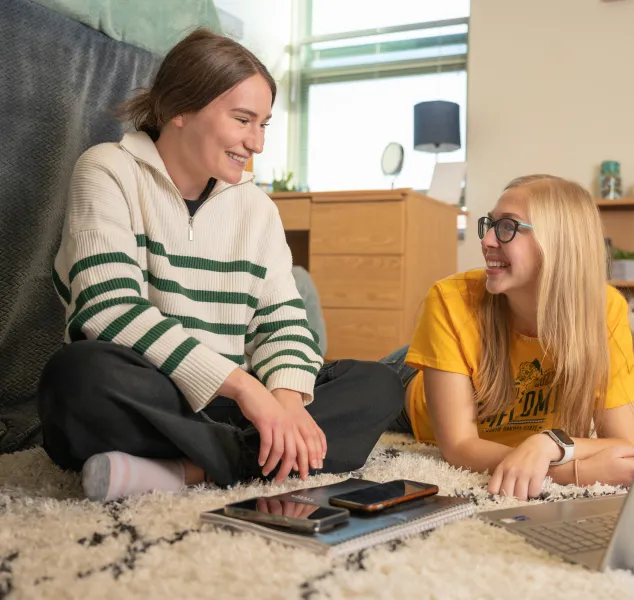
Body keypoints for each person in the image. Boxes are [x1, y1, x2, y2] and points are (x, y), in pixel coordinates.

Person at [37, 29, 403, 502]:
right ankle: (249, 460)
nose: (257, 143)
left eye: (264, 124)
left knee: (377, 386)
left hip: (235, 413)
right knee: (76, 377)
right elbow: (108, 311)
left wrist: (286, 403)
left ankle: (186, 471)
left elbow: (284, 321)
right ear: (178, 110)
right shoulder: (108, 169)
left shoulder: (257, 208)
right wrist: (250, 392)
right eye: (243, 119)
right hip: (160, 399)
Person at [383, 175, 634, 501]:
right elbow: (459, 446)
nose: (488, 240)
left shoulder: (604, 310)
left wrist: (549, 443)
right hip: (410, 384)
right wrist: (566, 471)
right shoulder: (449, 299)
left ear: (558, 242)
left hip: (465, 364)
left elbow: (628, 447)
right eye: (490, 225)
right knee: (349, 394)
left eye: (507, 227)